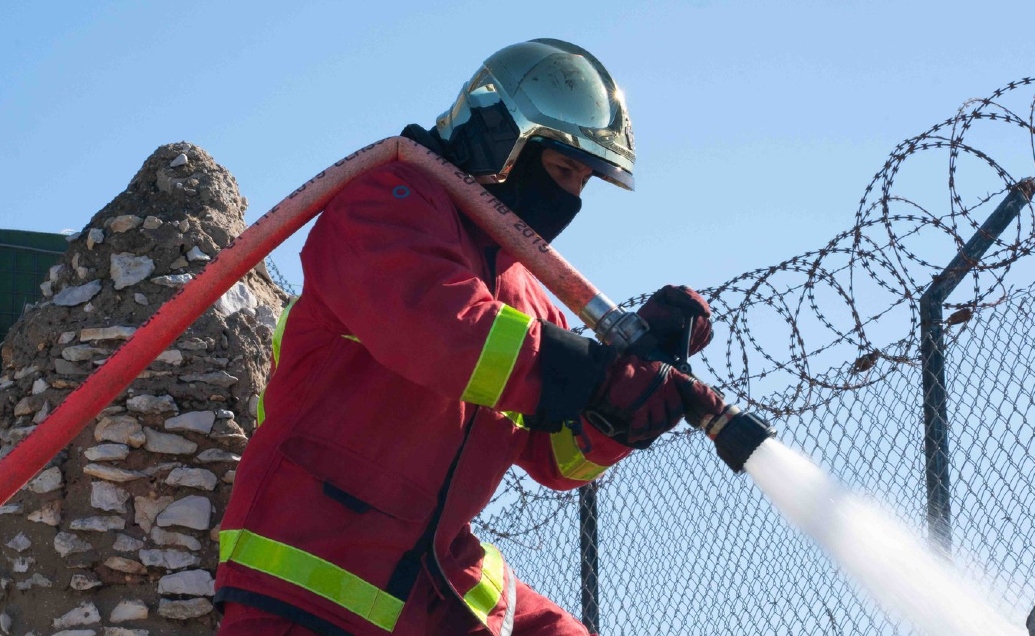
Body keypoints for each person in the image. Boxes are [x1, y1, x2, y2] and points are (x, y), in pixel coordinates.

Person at [213, 38, 725, 636]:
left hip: (430, 571)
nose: (569, 198)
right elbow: (444, 331)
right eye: (562, 170)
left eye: (583, 182)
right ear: (500, 137)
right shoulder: (385, 203)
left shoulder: (528, 292)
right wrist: (592, 373)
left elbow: (551, 457)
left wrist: (621, 413)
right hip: (313, 571)